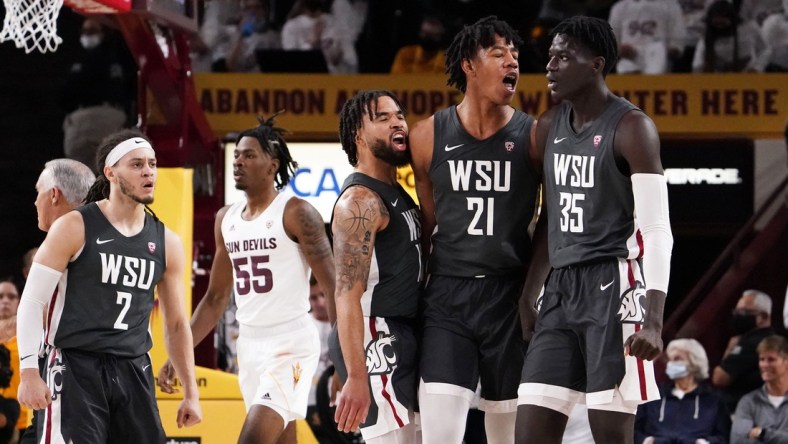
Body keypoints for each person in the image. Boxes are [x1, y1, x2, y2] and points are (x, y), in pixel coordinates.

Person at [517, 16, 674, 443]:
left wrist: (654, 321)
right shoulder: (548, 127)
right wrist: (531, 292)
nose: (550, 65)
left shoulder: (632, 128)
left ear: (596, 64)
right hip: (561, 289)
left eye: (563, 56)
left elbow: (657, 228)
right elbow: (551, 216)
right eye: (550, 56)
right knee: (530, 429)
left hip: (615, 285)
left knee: (610, 434)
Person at [157, 115, 336, 444]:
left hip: (290, 346)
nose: (239, 160)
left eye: (249, 155)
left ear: (272, 165)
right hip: (251, 347)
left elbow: (333, 287)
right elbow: (214, 299)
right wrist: (179, 355)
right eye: (237, 154)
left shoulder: (296, 212)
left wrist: (342, 360)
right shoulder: (226, 219)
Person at [16, 130, 202, 443]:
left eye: (152, 164)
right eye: (137, 164)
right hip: (76, 366)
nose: (148, 171)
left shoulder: (167, 241)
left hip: (133, 368)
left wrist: (192, 392)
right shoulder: (74, 226)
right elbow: (32, 302)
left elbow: (177, 323)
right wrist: (29, 371)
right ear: (110, 172)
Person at [409, 16, 540, 444]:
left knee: (507, 437)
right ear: (468, 64)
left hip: (509, 295)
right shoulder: (427, 135)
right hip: (449, 295)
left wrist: (532, 294)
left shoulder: (534, 135)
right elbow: (429, 224)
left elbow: (550, 225)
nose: (512, 62)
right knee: (441, 435)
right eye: (499, 53)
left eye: (516, 55)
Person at [329, 90, 422, 442]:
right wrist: (356, 375)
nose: (397, 122)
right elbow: (346, 295)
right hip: (374, 332)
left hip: (400, 329)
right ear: (358, 135)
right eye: (382, 118)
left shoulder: (395, 190)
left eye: (399, 115)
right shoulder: (360, 201)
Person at [0, 158, 95, 345]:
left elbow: (40, 312)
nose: (35, 202)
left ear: (54, 195)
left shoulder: (65, 242)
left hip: (75, 364)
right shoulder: (110, 237)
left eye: (38, 193)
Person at [59, 18, 130, 174]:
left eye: (92, 31)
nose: (88, 35)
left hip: (105, 117)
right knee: (81, 179)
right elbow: (64, 96)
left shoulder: (116, 55)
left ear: (104, 33)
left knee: (106, 173)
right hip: (82, 121)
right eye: (85, 31)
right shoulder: (77, 59)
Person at [634, 338, 731, 444]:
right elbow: (634, 430)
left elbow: (724, 436)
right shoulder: (653, 395)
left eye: (677, 359)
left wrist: (704, 443)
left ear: (694, 362)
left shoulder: (713, 401)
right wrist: (647, 441)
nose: (670, 364)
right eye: (669, 360)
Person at [712, 289, 775, 413]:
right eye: (736, 311)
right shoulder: (772, 339)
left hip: (742, 410)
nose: (737, 316)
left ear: (763, 317)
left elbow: (719, 378)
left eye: (743, 312)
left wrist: (730, 349)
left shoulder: (753, 343)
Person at [730, 335, 788, 444]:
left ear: (786, 362)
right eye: (762, 359)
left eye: (771, 359)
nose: (764, 365)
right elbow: (738, 441)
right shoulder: (748, 402)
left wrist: (762, 433)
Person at [608, 0, 686, 74]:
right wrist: (621, 51)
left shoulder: (671, 6)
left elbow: (677, 45)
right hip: (628, 61)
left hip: (660, 62)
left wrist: (655, 53)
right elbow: (611, 44)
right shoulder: (619, 7)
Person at [691, 0, 769, 72]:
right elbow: (698, 60)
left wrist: (756, 68)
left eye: (723, 22)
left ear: (732, 19)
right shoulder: (707, 33)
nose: (719, 27)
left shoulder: (749, 28)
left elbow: (766, 50)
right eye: (716, 23)